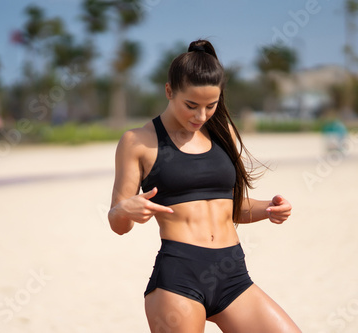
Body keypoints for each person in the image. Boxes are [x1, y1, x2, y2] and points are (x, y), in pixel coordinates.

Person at [108, 39, 301, 332]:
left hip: (234, 276)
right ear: (169, 91)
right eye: (191, 106)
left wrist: (269, 209)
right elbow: (117, 223)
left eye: (211, 106)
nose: (201, 116)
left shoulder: (221, 137)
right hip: (179, 279)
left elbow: (231, 208)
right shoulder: (137, 142)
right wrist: (125, 209)